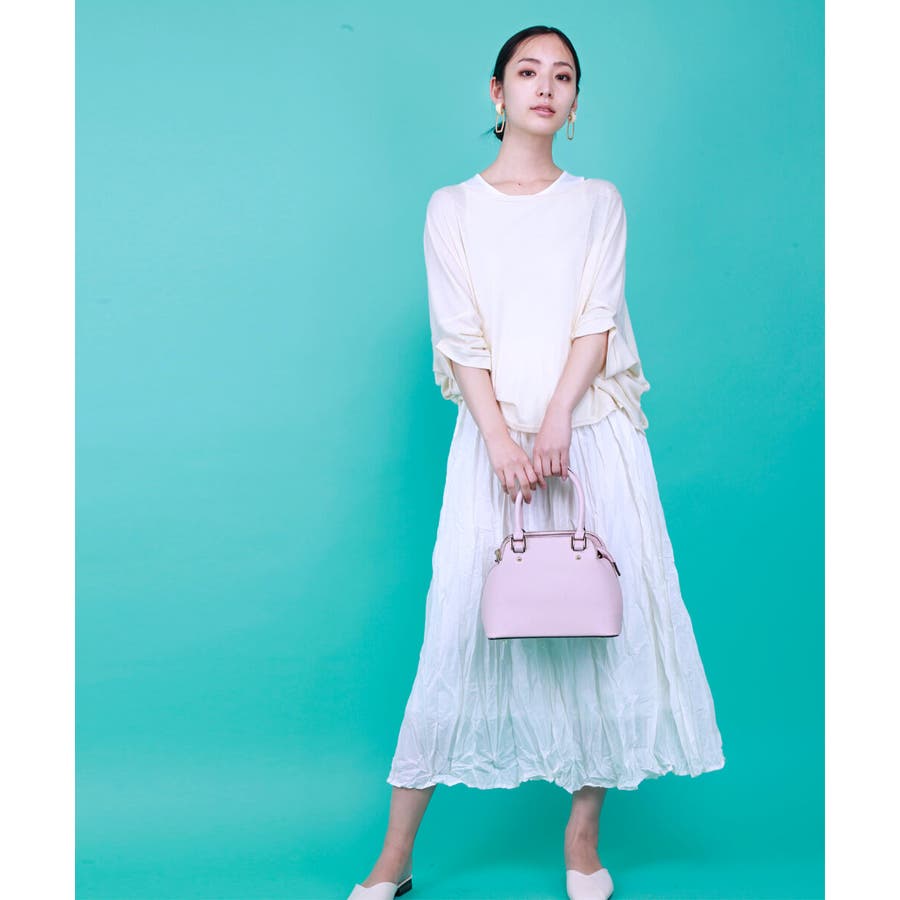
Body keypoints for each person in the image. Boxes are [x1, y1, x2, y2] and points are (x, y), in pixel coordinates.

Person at [348, 25, 726, 900]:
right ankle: (395, 862)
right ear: (498, 92)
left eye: (563, 76)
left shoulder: (598, 202)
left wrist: (557, 419)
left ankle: (582, 840)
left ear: (576, 100)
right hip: (494, 442)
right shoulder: (452, 208)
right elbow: (460, 334)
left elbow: (597, 318)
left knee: (606, 632)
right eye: (528, 72)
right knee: (456, 629)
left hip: (591, 435)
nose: (545, 87)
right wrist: (501, 438)